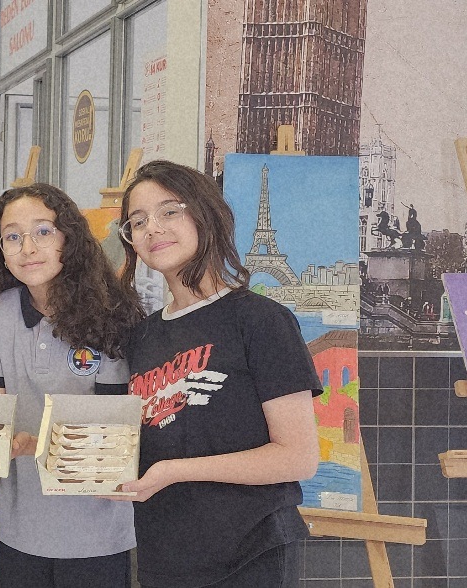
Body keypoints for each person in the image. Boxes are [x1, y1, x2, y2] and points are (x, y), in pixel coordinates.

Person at [115, 160, 320, 588]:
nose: (152, 228)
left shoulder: (261, 320)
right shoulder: (142, 336)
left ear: (204, 215)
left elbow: (298, 456)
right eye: (138, 221)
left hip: (250, 553)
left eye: (169, 211)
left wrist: (175, 471)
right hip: (163, 553)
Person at [0, 182, 144, 588]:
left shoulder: (109, 312)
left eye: (42, 231)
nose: (27, 248)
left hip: (97, 531)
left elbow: (112, 435)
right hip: (19, 527)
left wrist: (36, 443)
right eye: (12, 236)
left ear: (68, 236)